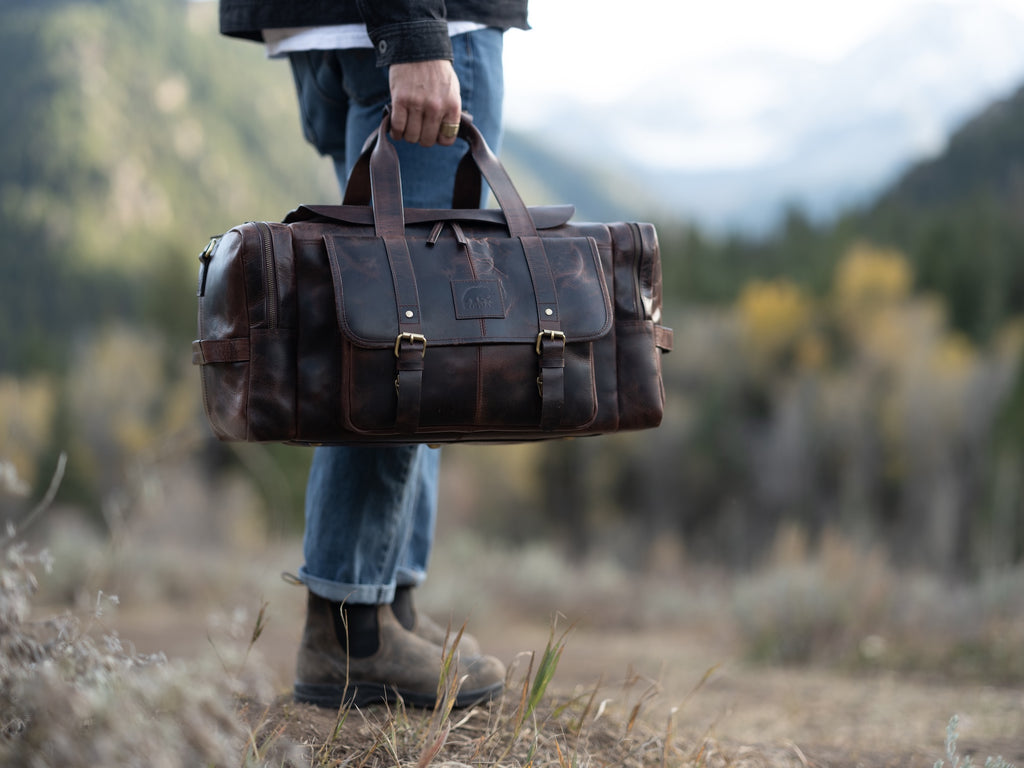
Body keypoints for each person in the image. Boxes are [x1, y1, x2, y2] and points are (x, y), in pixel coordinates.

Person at [217, 1, 529, 709]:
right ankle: (349, 633)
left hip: (326, 24)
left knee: (403, 320)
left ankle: (390, 611)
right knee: (403, 334)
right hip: (413, 27)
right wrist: (417, 33)